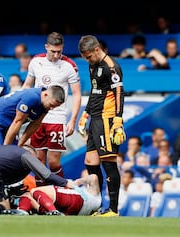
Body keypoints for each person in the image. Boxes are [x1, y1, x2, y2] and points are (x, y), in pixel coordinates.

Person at [21, 31, 81, 181]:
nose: (56, 55)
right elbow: (27, 85)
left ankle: (59, 192)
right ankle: (42, 197)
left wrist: (73, 120)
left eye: (59, 51)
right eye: (53, 51)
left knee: (54, 163)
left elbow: (77, 94)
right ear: (46, 47)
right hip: (38, 117)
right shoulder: (36, 61)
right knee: (39, 162)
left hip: (57, 117)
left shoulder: (69, 65)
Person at [77, 35, 125, 217]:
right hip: (94, 118)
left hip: (107, 119)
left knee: (109, 162)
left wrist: (118, 121)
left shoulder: (111, 67)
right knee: (90, 162)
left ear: (97, 50)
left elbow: (119, 94)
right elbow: (95, 92)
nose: (87, 60)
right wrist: (85, 113)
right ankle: (96, 206)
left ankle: (113, 209)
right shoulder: (92, 65)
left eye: (89, 56)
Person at [0, 144, 77, 215]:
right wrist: (66, 183)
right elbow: (46, 175)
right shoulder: (26, 155)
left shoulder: (8, 152)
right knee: (4, 207)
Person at [0, 85, 65, 150]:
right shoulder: (32, 97)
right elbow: (17, 122)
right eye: (51, 105)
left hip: (9, 125)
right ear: (45, 95)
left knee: (14, 155)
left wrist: (20, 144)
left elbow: (34, 125)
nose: (51, 108)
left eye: (54, 107)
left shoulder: (46, 104)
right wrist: (5, 149)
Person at [16, 174, 101, 215]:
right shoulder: (95, 201)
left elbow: (93, 177)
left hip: (75, 199)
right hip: (70, 211)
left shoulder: (92, 195)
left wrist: (77, 182)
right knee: (28, 195)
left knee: (34, 191)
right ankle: (22, 212)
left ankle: (53, 211)